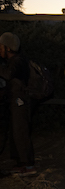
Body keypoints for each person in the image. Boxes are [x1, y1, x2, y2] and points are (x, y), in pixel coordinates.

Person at [0, 32, 36, 176]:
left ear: (8, 48)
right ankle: (21, 163)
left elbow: (8, 74)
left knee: (20, 131)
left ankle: (28, 165)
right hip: (16, 100)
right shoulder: (15, 60)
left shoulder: (18, 61)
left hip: (21, 101)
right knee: (16, 131)